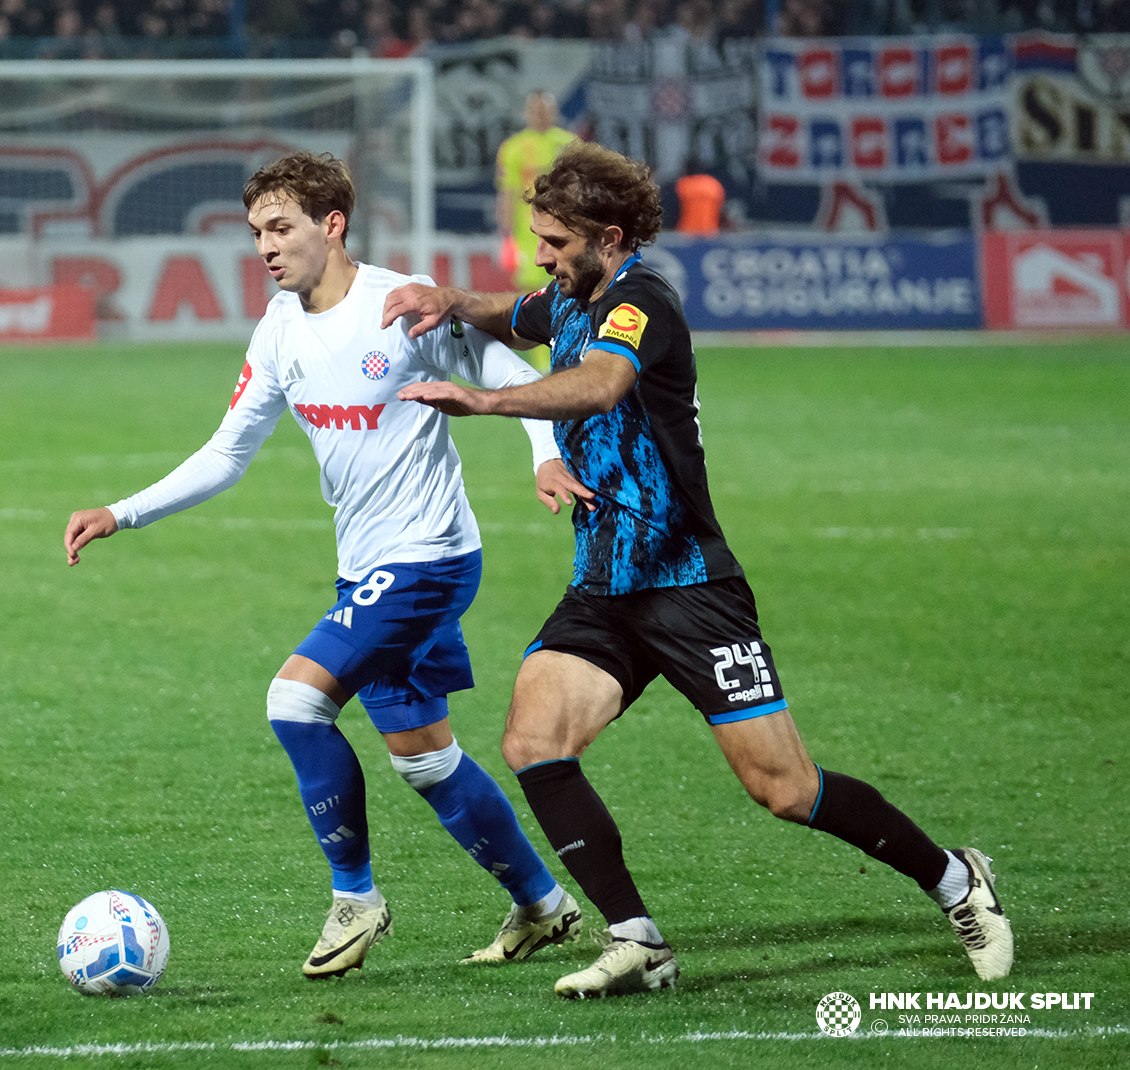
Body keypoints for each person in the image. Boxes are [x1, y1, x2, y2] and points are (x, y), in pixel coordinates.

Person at [382, 141, 1014, 998]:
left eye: (557, 242)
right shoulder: (574, 292)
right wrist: (452, 299)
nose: (543, 256)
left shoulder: (641, 303)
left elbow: (602, 385)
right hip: (606, 583)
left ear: (608, 236)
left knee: (784, 789)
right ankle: (638, 941)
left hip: (689, 585)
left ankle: (954, 879)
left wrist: (487, 402)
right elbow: (513, 312)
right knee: (535, 740)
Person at [66, 152, 591, 979]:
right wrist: (121, 511)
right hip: (370, 571)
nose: (265, 247)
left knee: (294, 700)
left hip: (428, 561)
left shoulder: (401, 305)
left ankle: (357, 899)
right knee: (425, 759)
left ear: (332, 224)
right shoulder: (279, 329)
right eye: (256, 233)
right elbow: (228, 451)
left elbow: (509, 373)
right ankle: (543, 905)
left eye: (281, 228)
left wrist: (541, 456)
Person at [496, 91, 577, 294]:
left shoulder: (570, 145)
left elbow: (580, 192)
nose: (541, 115)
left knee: (567, 285)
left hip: (564, 228)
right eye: (536, 110)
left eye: (546, 110)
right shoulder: (513, 148)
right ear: (526, 112)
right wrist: (506, 236)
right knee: (529, 292)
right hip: (528, 233)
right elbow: (508, 193)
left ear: (555, 112)